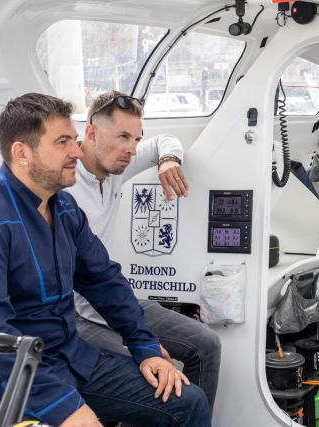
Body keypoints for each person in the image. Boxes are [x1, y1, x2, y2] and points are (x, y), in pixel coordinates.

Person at [0, 93, 209, 427]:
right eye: (63, 142)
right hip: (7, 382)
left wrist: (144, 344)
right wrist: (61, 405)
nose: (75, 151)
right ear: (22, 153)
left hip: (70, 358)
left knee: (187, 402)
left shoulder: (65, 210)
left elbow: (104, 281)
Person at [67, 90, 221, 410]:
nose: (131, 149)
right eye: (123, 136)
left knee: (207, 345)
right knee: (158, 376)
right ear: (91, 133)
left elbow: (166, 140)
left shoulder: (115, 166)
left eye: (136, 139)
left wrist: (168, 161)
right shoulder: (65, 187)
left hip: (117, 300)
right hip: (80, 316)